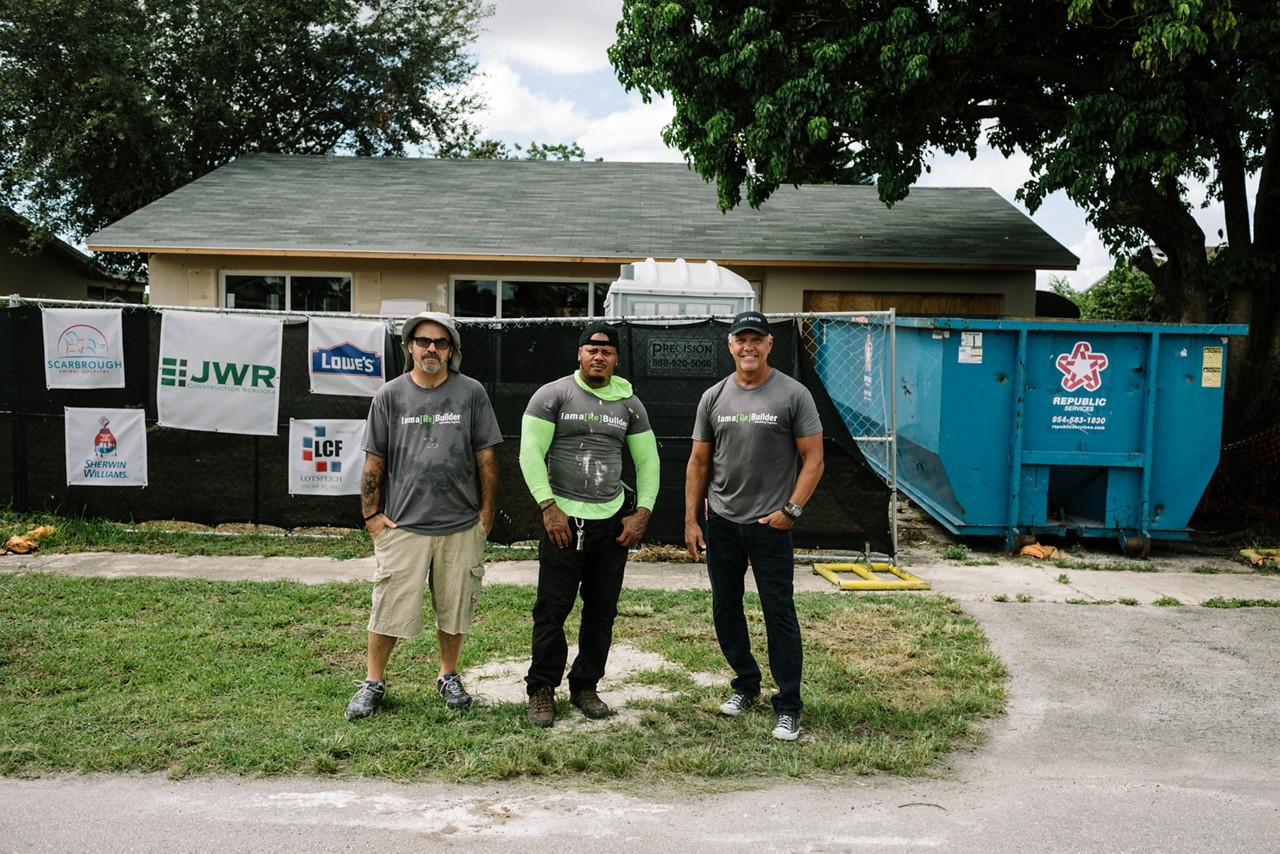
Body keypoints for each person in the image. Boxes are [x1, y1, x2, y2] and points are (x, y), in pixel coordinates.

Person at [345, 311, 502, 720]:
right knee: (388, 608)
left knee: (455, 608)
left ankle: (448, 675)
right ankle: (373, 682)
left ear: (452, 350)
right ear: (410, 347)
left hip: (460, 525)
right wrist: (372, 517)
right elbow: (374, 462)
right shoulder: (390, 395)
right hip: (403, 526)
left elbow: (486, 458)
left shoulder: (471, 394)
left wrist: (485, 516)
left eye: (440, 342)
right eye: (422, 341)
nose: (431, 348)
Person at [684, 310, 824, 741]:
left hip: (771, 526)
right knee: (726, 609)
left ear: (768, 345)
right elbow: (699, 461)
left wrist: (791, 511)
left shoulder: (793, 394)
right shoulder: (714, 397)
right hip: (722, 522)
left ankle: (788, 704)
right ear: (730, 345)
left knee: (778, 612)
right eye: (741, 339)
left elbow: (814, 460)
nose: (748, 347)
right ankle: (745, 683)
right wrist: (691, 519)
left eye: (756, 339)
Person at [518, 321, 660, 727]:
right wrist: (548, 507)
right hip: (562, 521)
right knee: (551, 611)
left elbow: (648, 461)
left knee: (602, 612)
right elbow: (530, 453)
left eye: (607, 351)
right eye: (591, 349)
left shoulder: (630, 403)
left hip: (612, 525)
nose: (599, 356)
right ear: (579, 354)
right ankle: (542, 688)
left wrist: (641, 513)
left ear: (616, 358)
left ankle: (585, 686)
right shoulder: (553, 395)